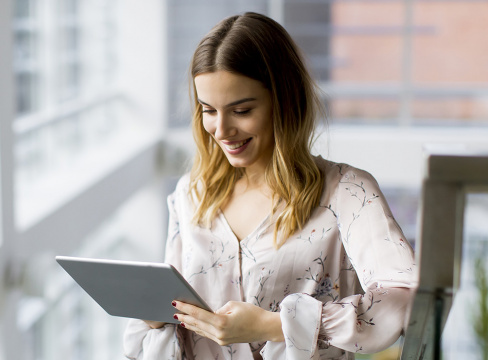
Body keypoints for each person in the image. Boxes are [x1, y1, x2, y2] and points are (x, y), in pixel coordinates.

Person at [124, 12, 416, 360]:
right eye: (208, 110)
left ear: (285, 99)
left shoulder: (348, 192)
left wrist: (274, 325)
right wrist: (156, 316)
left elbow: (404, 302)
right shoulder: (190, 194)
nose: (221, 130)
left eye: (242, 110)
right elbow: (174, 311)